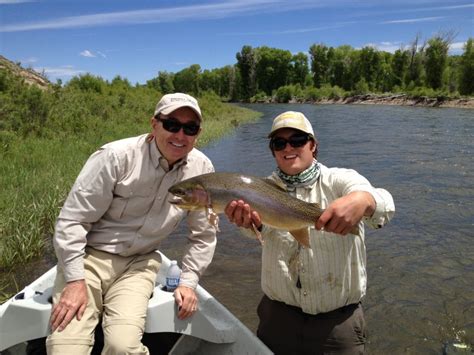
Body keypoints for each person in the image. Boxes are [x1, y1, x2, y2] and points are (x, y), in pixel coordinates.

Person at [46, 93, 216, 354]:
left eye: (190, 128)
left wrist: (188, 282)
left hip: (139, 264)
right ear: (154, 124)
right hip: (89, 258)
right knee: (65, 348)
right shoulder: (115, 157)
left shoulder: (202, 169)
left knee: (122, 347)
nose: (180, 135)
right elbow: (73, 221)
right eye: (171, 124)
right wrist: (75, 280)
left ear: (198, 133)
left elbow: (203, 235)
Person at [225, 111, 395, 354]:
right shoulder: (260, 190)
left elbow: (385, 206)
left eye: (297, 140)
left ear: (313, 145)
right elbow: (258, 233)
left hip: (337, 324)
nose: (288, 147)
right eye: (279, 143)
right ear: (272, 150)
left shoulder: (340, 180)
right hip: (277, 318)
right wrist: (248, 225)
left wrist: (364, 200)